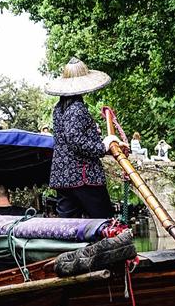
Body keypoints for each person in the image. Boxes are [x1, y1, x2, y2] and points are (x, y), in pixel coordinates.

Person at [45, 57, 120, 219]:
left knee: (68, 227)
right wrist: (103, 146)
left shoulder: (59, 108)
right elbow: (76, 140)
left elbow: (69, 137)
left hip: (63, 177)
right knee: (105, 220)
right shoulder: (77, 108)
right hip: (83, 176)